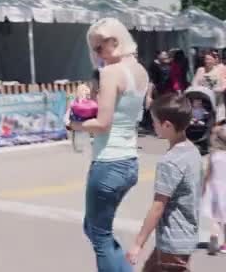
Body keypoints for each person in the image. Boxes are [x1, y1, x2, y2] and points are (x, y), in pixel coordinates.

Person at [70, 17, 149, 272]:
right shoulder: (140, 71)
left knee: (99, 235)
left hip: (108, 162)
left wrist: (74, 124)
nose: (98, 52)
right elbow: (123, 112)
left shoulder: (110, 72)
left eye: (100, 46)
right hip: (129, 161)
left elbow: (102, 123)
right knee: (94, 227)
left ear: (116, 40)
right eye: (95, 47)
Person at [126, 94, 202, 272]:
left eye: (154, 122)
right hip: (186, 235)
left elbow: (158, 206)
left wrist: (138, 243)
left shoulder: (169, 161)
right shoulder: (193, 151)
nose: (152, 125)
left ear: (167, 125)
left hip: (173, 239)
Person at [204, 125, 226, 255]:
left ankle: (213, 236)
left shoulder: (214, 155)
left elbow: (208, 173)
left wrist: (204, 186)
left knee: (216, 217)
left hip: (214, 189)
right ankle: (225, 245)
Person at [192, 50, 225, 120]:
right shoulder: (200, 70)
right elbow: (194, 84)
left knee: (218, 123)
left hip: (217, 102)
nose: (207, 61)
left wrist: (216, 90)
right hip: (203, 102)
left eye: (209, 59)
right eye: (206, 59)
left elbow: (224, 85)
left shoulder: (220, 69)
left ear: (214, 60)